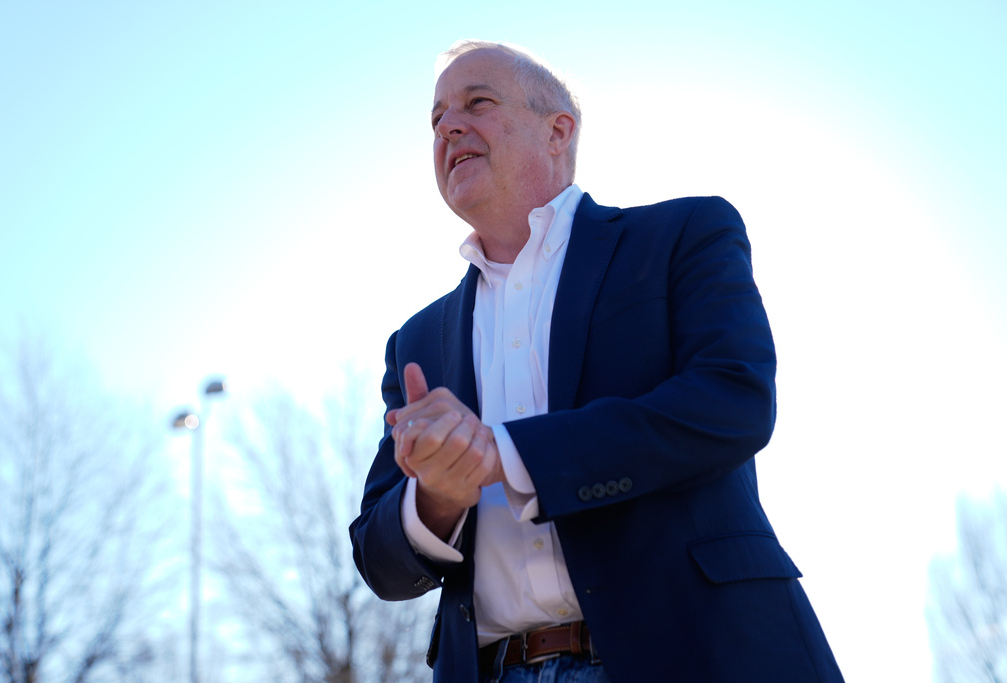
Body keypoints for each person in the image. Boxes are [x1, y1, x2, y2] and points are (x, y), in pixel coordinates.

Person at [349, 40, 843, 683]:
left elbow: (733, 402)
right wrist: (437, 499)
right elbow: (380, 561)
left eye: (478, 102)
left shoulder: (683, 238)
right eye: (436, 117)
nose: (449, 126)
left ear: (558, 132)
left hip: (697, 654)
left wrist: (506, 455)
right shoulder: (415, 342)